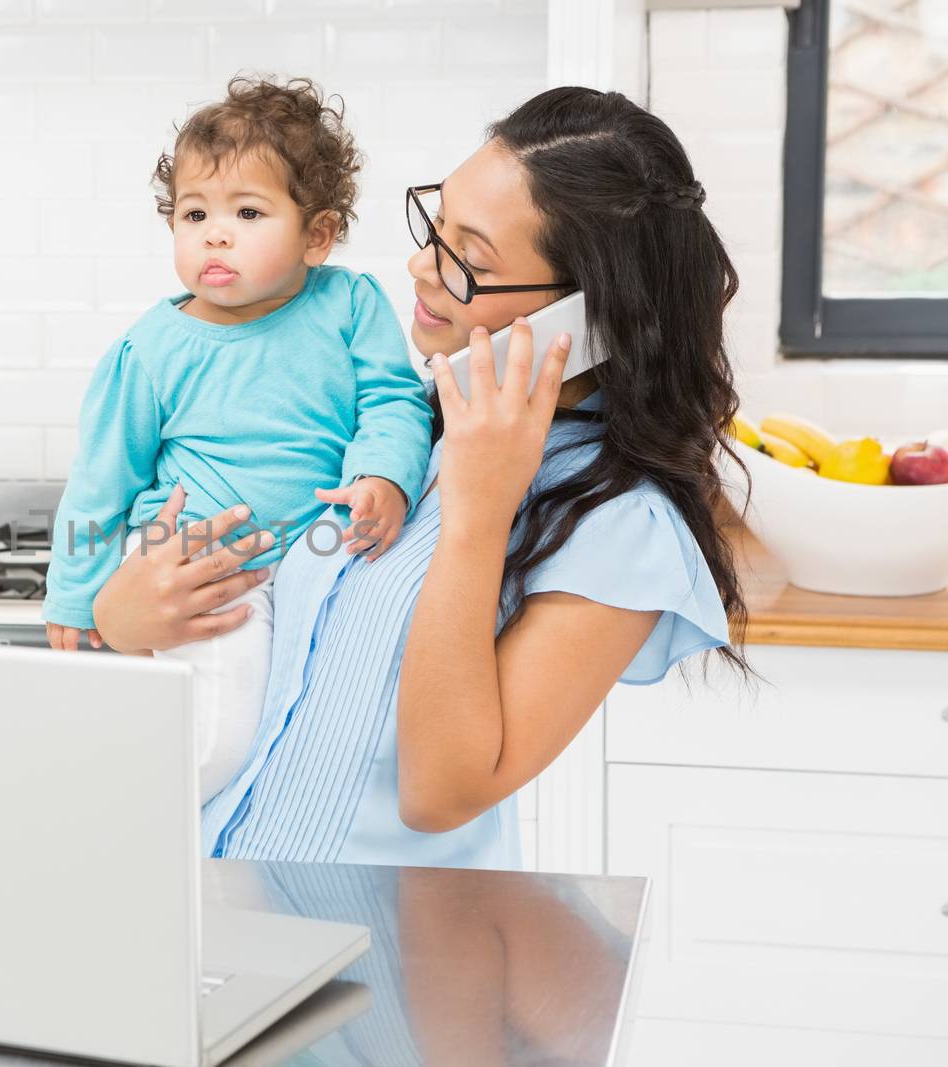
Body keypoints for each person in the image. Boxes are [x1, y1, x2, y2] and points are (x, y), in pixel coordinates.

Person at [90, 85, 750, 868]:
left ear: (585, 314)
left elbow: (441, 792)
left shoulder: (621, 526)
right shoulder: (402, 434)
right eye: (435, 226)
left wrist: (478, 510)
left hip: (383, 948)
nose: (420, 266)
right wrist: (123, 619)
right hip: (224, 891)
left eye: (469, 259)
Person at [41, 77, 434, 805]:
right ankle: (119, 821)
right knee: (219, 739)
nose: (213, 233)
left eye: (247, 211)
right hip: (202, 559)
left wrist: (385, 472)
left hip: (307, 559)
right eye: (194, 213)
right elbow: (101, 479)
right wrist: (72, 594)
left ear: (316, 235)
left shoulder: (349, 306)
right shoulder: (153, 349)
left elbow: (393, 399)